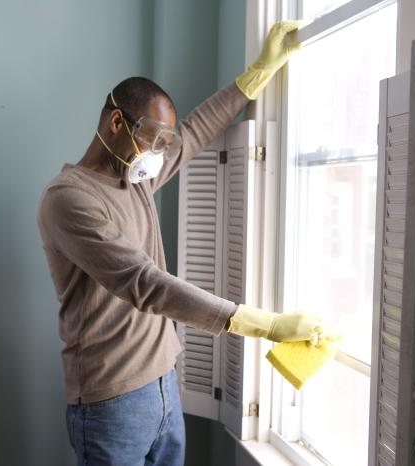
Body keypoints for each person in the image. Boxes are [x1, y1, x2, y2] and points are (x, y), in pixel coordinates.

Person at [37, 21, 336, 466]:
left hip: (164, 387)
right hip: (111, 402)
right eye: (152, 137)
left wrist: (258, 72)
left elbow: (195, 132)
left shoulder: (134, 178)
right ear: (117, 122)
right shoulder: (68, 199)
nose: (159, 151)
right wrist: (264, 325)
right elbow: (146, 284)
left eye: (164, 142)